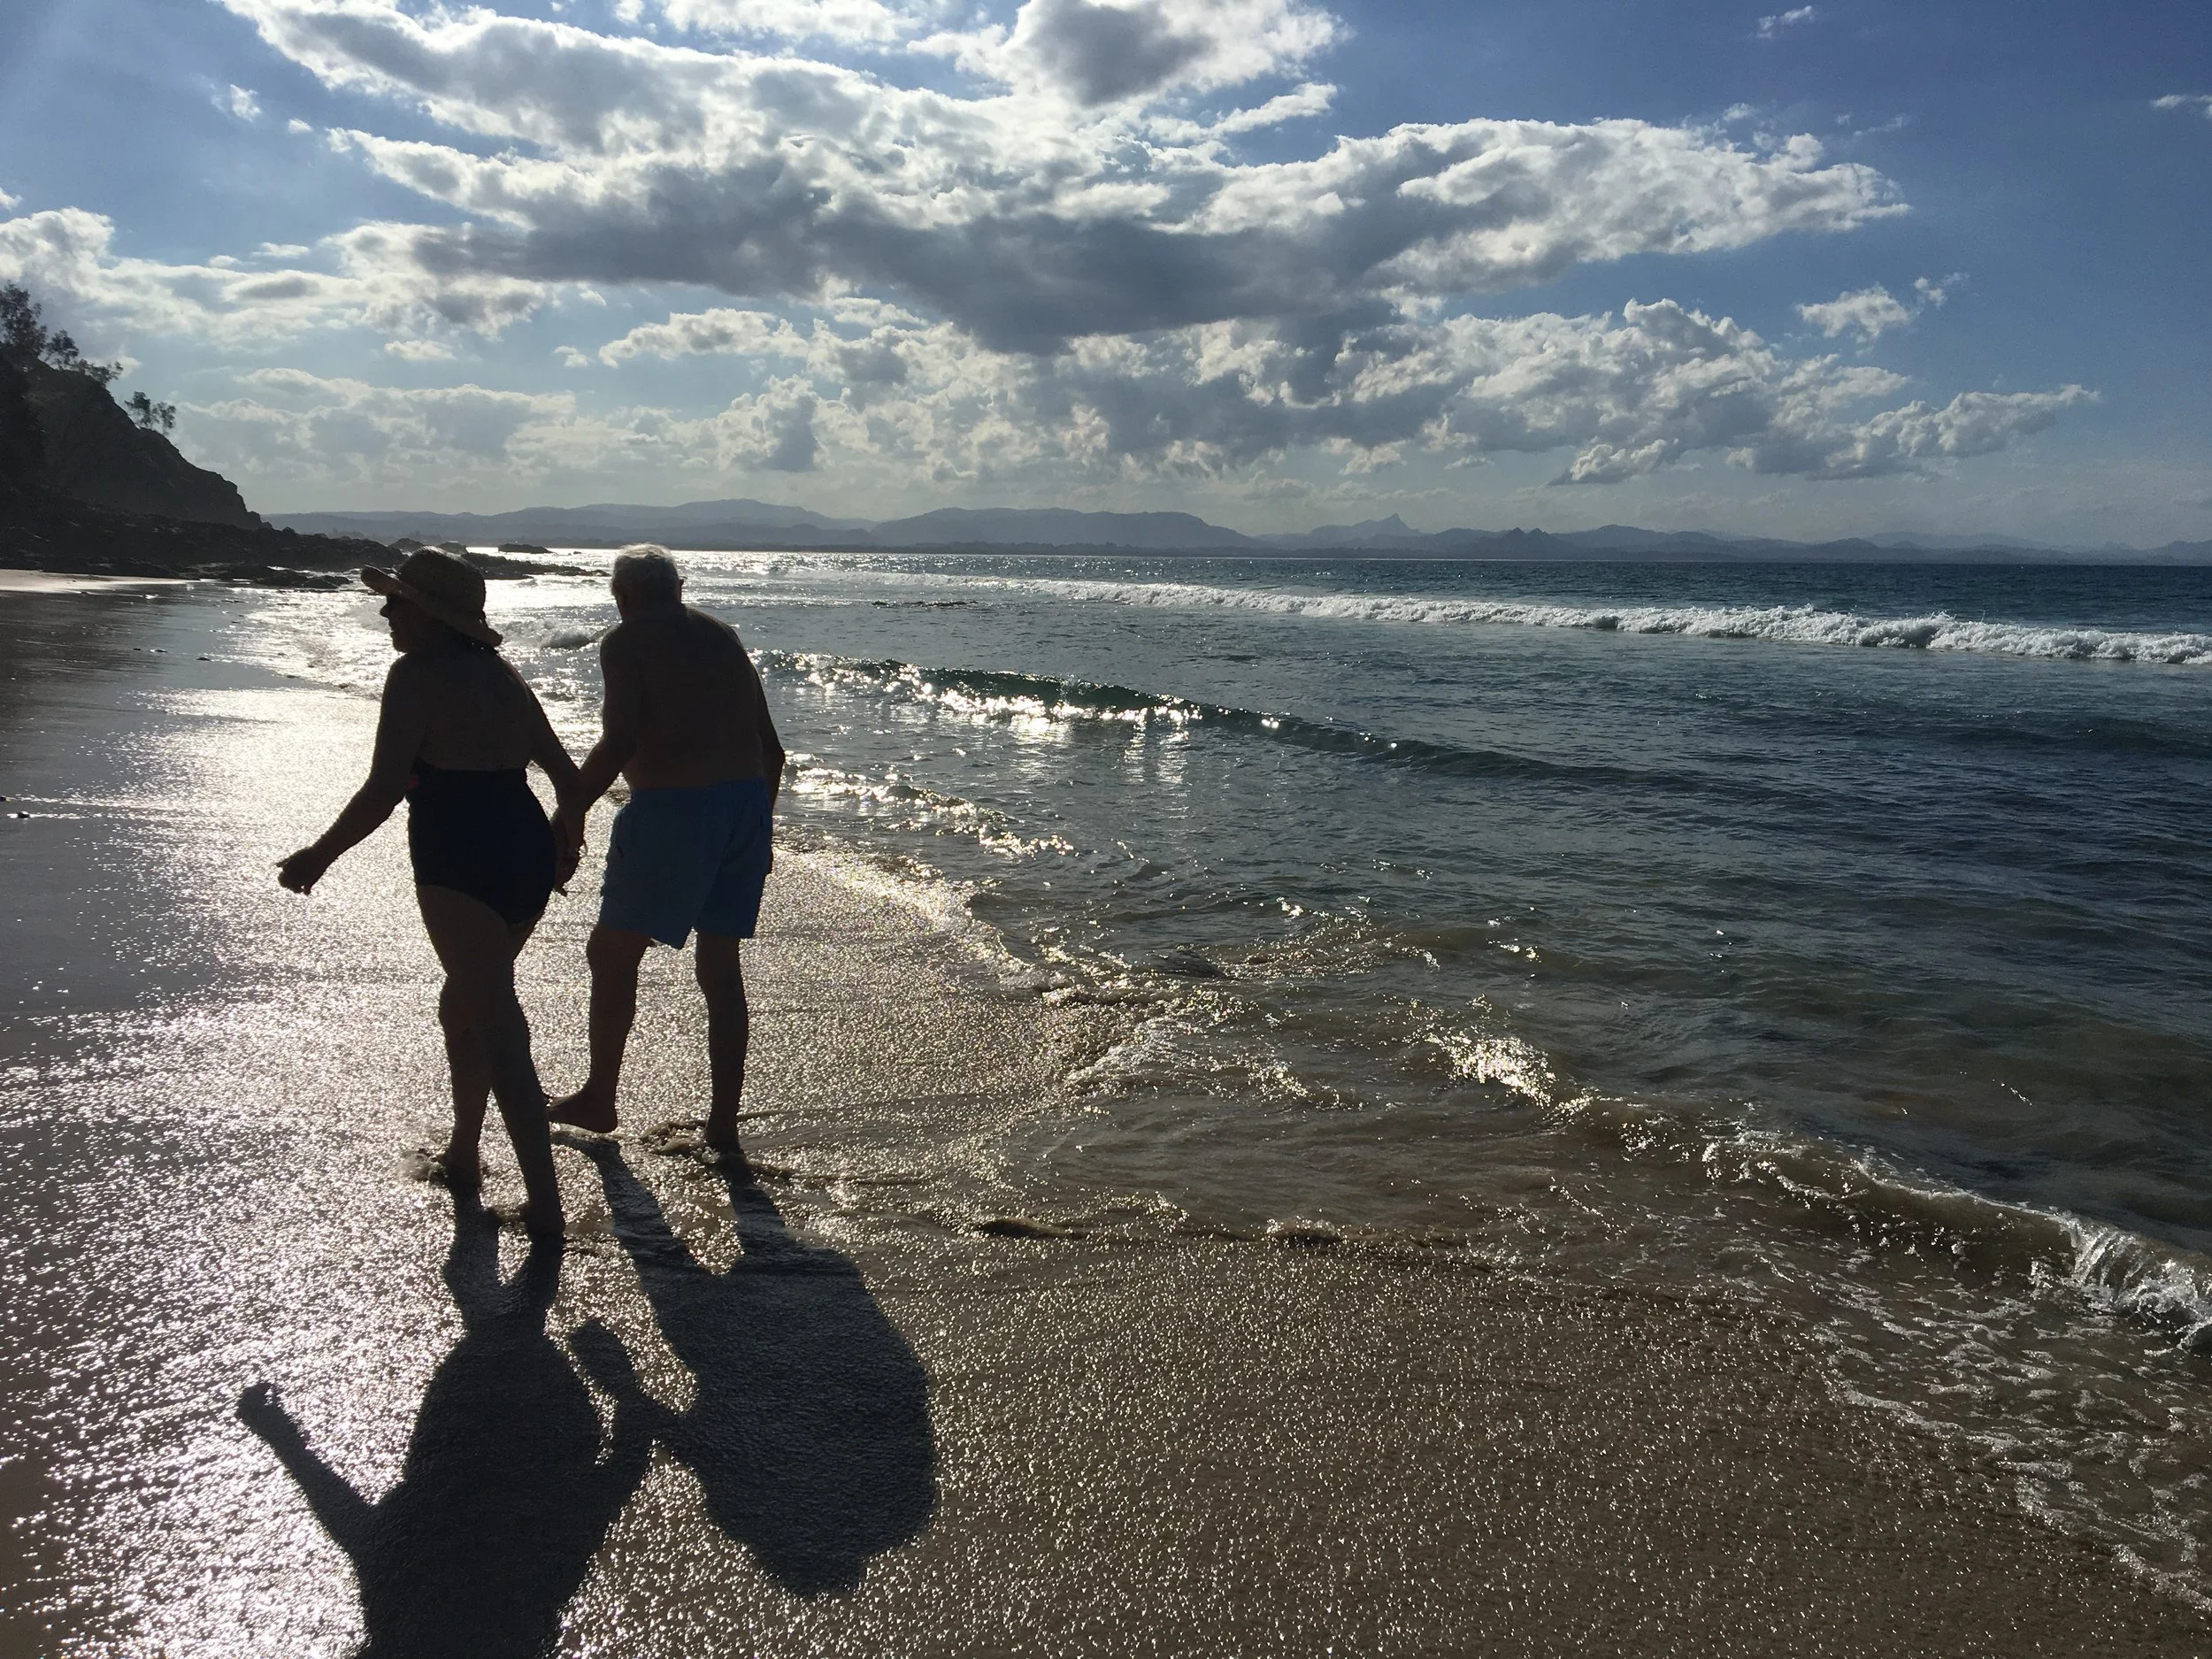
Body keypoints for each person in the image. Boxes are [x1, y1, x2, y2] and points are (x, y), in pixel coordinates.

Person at [278, 549, 580, 1237]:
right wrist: (567, 845)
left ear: (434, 618)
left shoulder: (413, 676)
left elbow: (385, 789)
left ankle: (546, 1204)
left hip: (459, 854)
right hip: (525, 849)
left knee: (498, 1019)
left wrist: (318, 856)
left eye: (399, 602)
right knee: (466, 999)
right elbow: (566, 776)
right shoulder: (506, 678)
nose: (386, 611)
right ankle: (465, 1150)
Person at [549, 545, 785, 1150]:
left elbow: (619, 740)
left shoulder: (624, 641)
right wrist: (764, 831)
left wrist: (570, 807)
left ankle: (601, 1095)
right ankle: (723, 1125)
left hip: (676, 812)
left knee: (612, 954)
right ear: (678, 587)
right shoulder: (724, 635)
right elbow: (772, 749)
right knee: (720, 969)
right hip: (746, 806)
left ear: (621, 597)